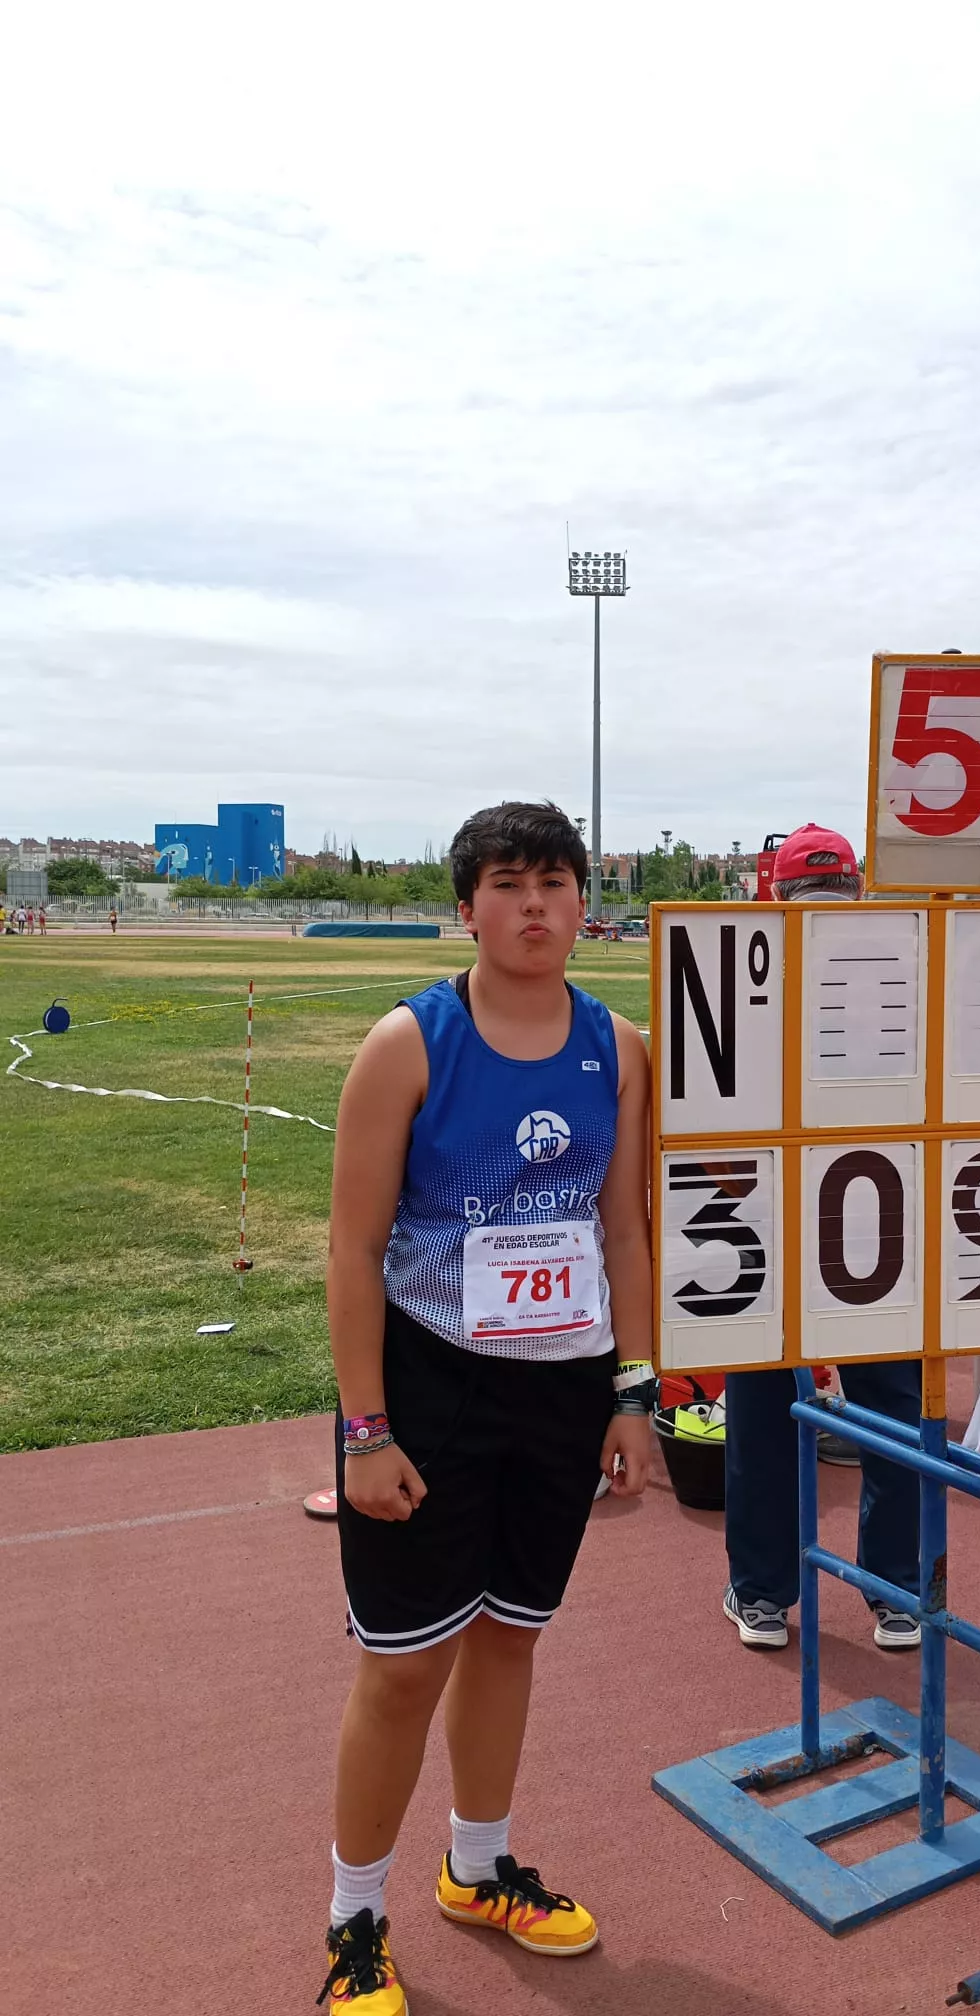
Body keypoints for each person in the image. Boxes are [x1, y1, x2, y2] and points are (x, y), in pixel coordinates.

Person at [317, 801, 654, 2013]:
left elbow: (625, 1231)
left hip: (562, 1388)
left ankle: (478, 1868)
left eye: (555, 882)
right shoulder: (409, 1045)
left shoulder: (620, 1047)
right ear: (466, 909)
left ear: (584, 903)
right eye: (508, 884)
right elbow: (353, 1249)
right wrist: (367, 1430)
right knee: (406, 1667)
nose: (535, 906)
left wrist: (632, 1393)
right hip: (430, 1386)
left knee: (512, 1636)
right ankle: (355, 1922)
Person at [722, 824, 923, 1654]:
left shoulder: (902, 981)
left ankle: (862, 1588)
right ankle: (792, 1589)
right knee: (792, 1408)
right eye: (816, 902)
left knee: (872, 1411)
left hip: (848, 1224)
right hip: (805, 1224)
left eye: (833, 902)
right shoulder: (740, 987)